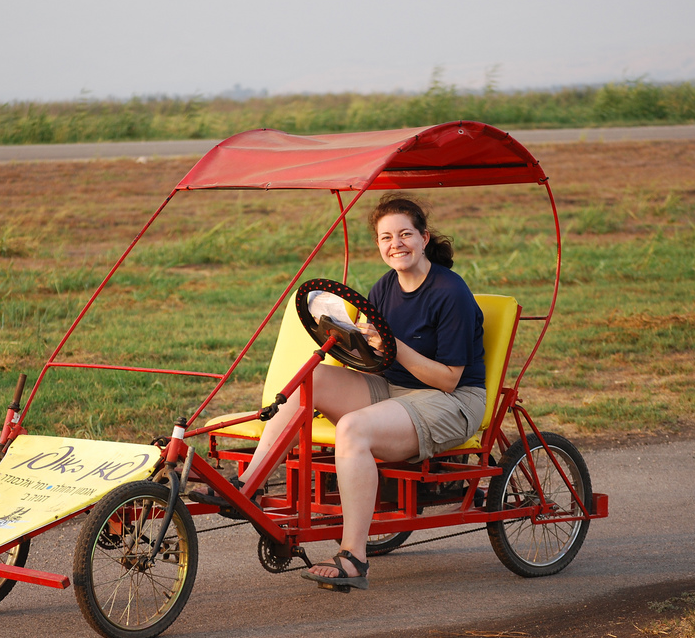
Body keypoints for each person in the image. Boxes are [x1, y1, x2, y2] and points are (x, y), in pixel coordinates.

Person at [192, 192, 487, 590]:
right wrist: (351, 340)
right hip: (394, 387)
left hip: (451, 401)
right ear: (379, 245)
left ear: (423, 237)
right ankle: (250, 486)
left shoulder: (450, 292)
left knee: (352, 428)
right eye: (386, 237)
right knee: (310, 378)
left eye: (404, 234)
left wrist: (395, 347)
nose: (396, 244)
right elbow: (377, 359)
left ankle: (354, 556)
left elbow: (450, 378)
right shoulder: (384, 288)